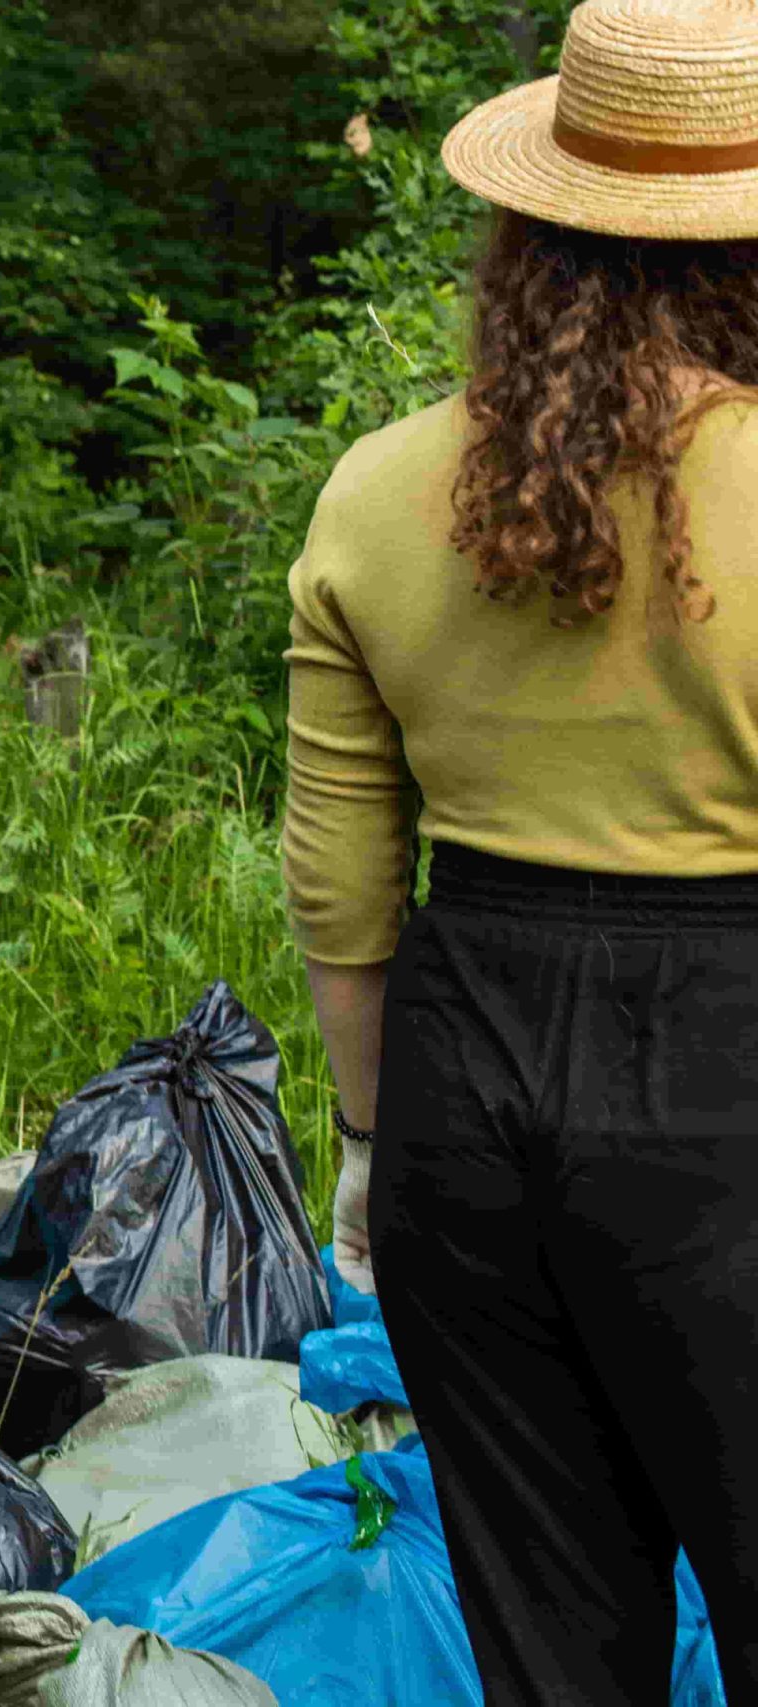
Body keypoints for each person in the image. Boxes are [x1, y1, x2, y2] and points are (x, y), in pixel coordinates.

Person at [282, 1, 758, 1697]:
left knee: (554, 1642)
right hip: (728, 1068)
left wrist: (363, 1133)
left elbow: (341, 878)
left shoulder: (379, 488)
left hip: (460, 1074)